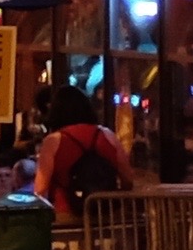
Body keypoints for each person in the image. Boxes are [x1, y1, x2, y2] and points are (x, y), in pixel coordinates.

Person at [35, 89, 134, 220]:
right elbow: (127, 180)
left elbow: (40, 190)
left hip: (67, 215)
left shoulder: (53, 141)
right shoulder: (107, 135)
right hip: (106, 215)